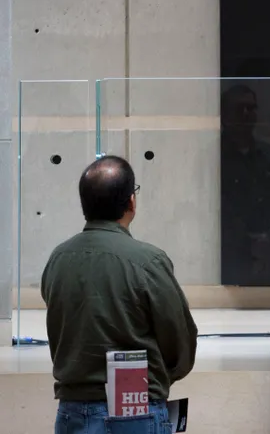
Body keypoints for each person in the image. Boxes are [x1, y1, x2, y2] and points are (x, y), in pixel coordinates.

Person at [41, 156, 198, 434]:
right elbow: (179, 339)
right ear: (131, 202)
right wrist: (158, 378)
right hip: (137, 411)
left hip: (72, 412)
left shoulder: (58, 259)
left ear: (84, 204)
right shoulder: (148, 261)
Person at [220, 84, 270, 284]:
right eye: (240, 109)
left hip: (268, 257)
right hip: (227, 262)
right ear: (225, 115)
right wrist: (245, 241)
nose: (247, 114)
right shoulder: (214, 157)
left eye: (252, 108)